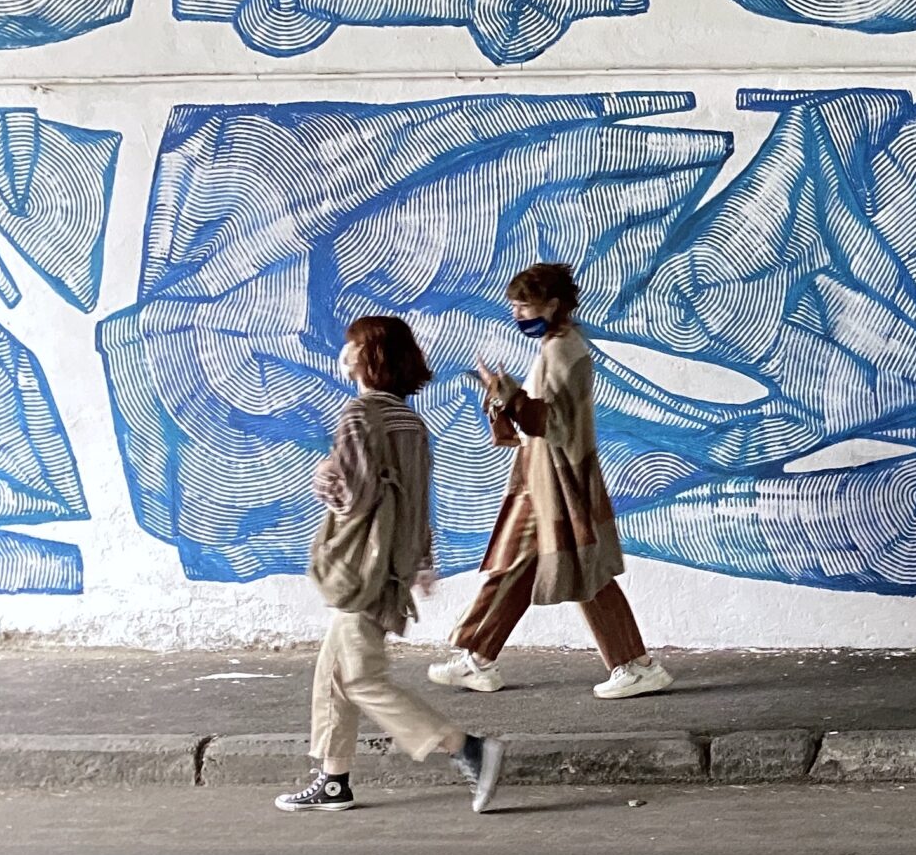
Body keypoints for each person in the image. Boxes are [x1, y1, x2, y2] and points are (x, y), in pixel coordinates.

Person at [281, 315, 504, 814]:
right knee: (333, 672)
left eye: (353, 345)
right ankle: (333, 780)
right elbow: (418, 501)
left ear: (370, 356)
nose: (344, 353)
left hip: (360, 567)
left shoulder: (360, 415)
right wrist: (421, 561)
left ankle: (465, 747)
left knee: (361, 678)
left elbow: (354, 499)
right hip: (391, 566)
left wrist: (324, 477)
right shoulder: (410, 421)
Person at [430, 262, 673, 700]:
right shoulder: (558, 344)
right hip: (543, 476)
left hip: (559, 480)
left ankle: (636, 665)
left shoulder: (562, 350)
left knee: (582, 570)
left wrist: (509, 395)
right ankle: (478, 658)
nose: (517, 314)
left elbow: (555, 422)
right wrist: (507, 396)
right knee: (523, 566)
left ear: (553, 304)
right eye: (515, 305)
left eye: (525, 305)